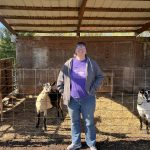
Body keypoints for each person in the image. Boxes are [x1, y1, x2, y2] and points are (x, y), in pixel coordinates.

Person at [57, 42, 104, 150]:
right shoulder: (68, 64)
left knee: (89, 122)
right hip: (72, 99)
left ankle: (91, 144)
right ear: (75, 51)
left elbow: (100, 76)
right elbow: (60, 79)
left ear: (86, 51)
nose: (81, 50)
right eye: (79, 48)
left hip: (88, 98)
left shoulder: (92, 63)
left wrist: (93, 89)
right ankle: (76, 143)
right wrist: (63, 92)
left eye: (83, 48)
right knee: (74, 122)